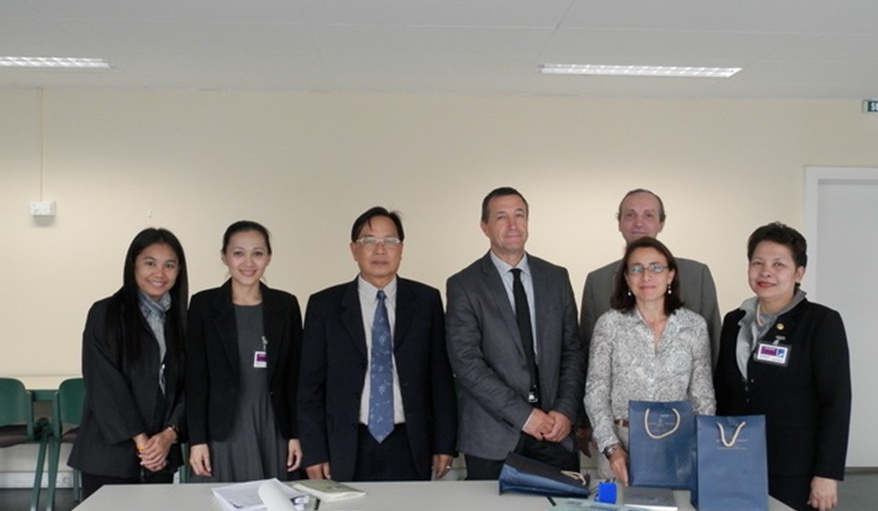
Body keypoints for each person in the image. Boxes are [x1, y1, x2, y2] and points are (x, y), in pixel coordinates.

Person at [297, 207, 457, 482]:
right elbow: (309, 386)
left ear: (401, 249)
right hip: (346, 443)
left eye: (390, 241)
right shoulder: (324, 305)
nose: (380, 250)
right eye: (369, 241)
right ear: (354, 249)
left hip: (410, 441)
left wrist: (445, 443)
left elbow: (440, 378)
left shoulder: (426, 301)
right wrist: (314, 451)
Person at [714, 222, 851, 511]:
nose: (766, 272)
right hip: (737, 462)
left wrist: (827, 473)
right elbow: (724, 393)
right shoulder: (734, 321)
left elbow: (836, 402)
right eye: (758, 263)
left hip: (795, 471)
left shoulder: (821, 322)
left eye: (779, 264)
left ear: (799, 273)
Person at [446, 187, 585, 480]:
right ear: (484, 226)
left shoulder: (556, 277)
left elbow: (572, 351)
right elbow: (467, 364)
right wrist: (525, 416)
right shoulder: (464, 285)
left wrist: (565, 411)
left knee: (562, 508)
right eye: (501, 217)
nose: (512, 225)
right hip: (493, 438)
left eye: (519, 215)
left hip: (555, 432)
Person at [583, 237, 715, 486]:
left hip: (677, 445)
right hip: (621, 447)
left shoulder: (694, 326)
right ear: (626, 278)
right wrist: (611, 448)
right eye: (636, 268)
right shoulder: (609, 325)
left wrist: (695, 448)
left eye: (656, 267)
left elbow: (703, 398)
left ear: (670, 275)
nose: (646, 276)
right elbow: (596, 392)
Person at [69, 228, 188, 499]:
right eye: (150, 263)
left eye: (169, 265)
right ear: (133, 264)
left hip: (161, 455)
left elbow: (190, 385)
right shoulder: (105, 313)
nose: (159, 273)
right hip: (109, 456)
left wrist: (169, 435)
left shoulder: (182, 321)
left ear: (179, 270)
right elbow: (104, 384)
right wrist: (142, 442)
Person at [186, 220, 302, 482]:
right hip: (222, 431)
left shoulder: (285, 306)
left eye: (257, 253)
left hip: (273, 428)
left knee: (273, 502)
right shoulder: (204, 305)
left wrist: (296, 434)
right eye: (238, 253)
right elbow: (195, 380)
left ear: (268, 257)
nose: (248, 262)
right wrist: (197, 440)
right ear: (224, 257)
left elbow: (294, 378)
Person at [580, 188, 720, 361]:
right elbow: (588, 352)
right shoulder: (596, 282)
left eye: (648, 215)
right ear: (619, 223)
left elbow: (714, 349)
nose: (639, 223)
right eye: (630, 215)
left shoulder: (698, 276)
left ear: (661, 223)